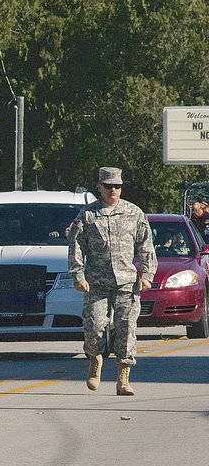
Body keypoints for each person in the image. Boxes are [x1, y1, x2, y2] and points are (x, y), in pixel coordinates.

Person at [68, 167, 157, 396]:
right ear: (99, 187)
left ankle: (123, 378)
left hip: (127, 282)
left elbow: (145, 245)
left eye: (117, 186)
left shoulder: (133, 213)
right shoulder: (88, 215)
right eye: (108, 186)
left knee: (127, 329)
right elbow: (76, 246)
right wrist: (78, 275)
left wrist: (147, 275)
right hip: (96, 282)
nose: (113, 190)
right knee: (95, 328)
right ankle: (95, 359)